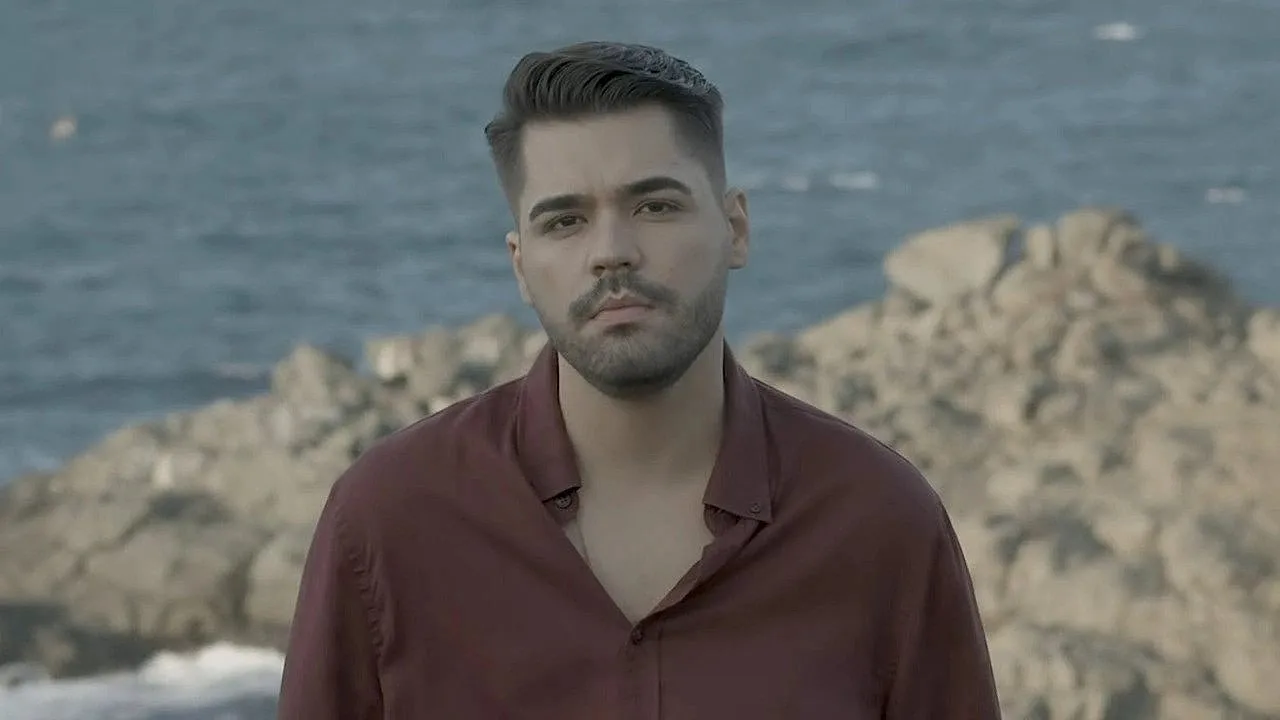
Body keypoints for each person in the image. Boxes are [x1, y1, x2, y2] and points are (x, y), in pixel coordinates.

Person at [276, 40, 1002, 719]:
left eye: (655, 206)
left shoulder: (879, 520)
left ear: (735, 229)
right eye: (565, 221)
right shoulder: (389, 520)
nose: (612, 251)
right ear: (521, 265)